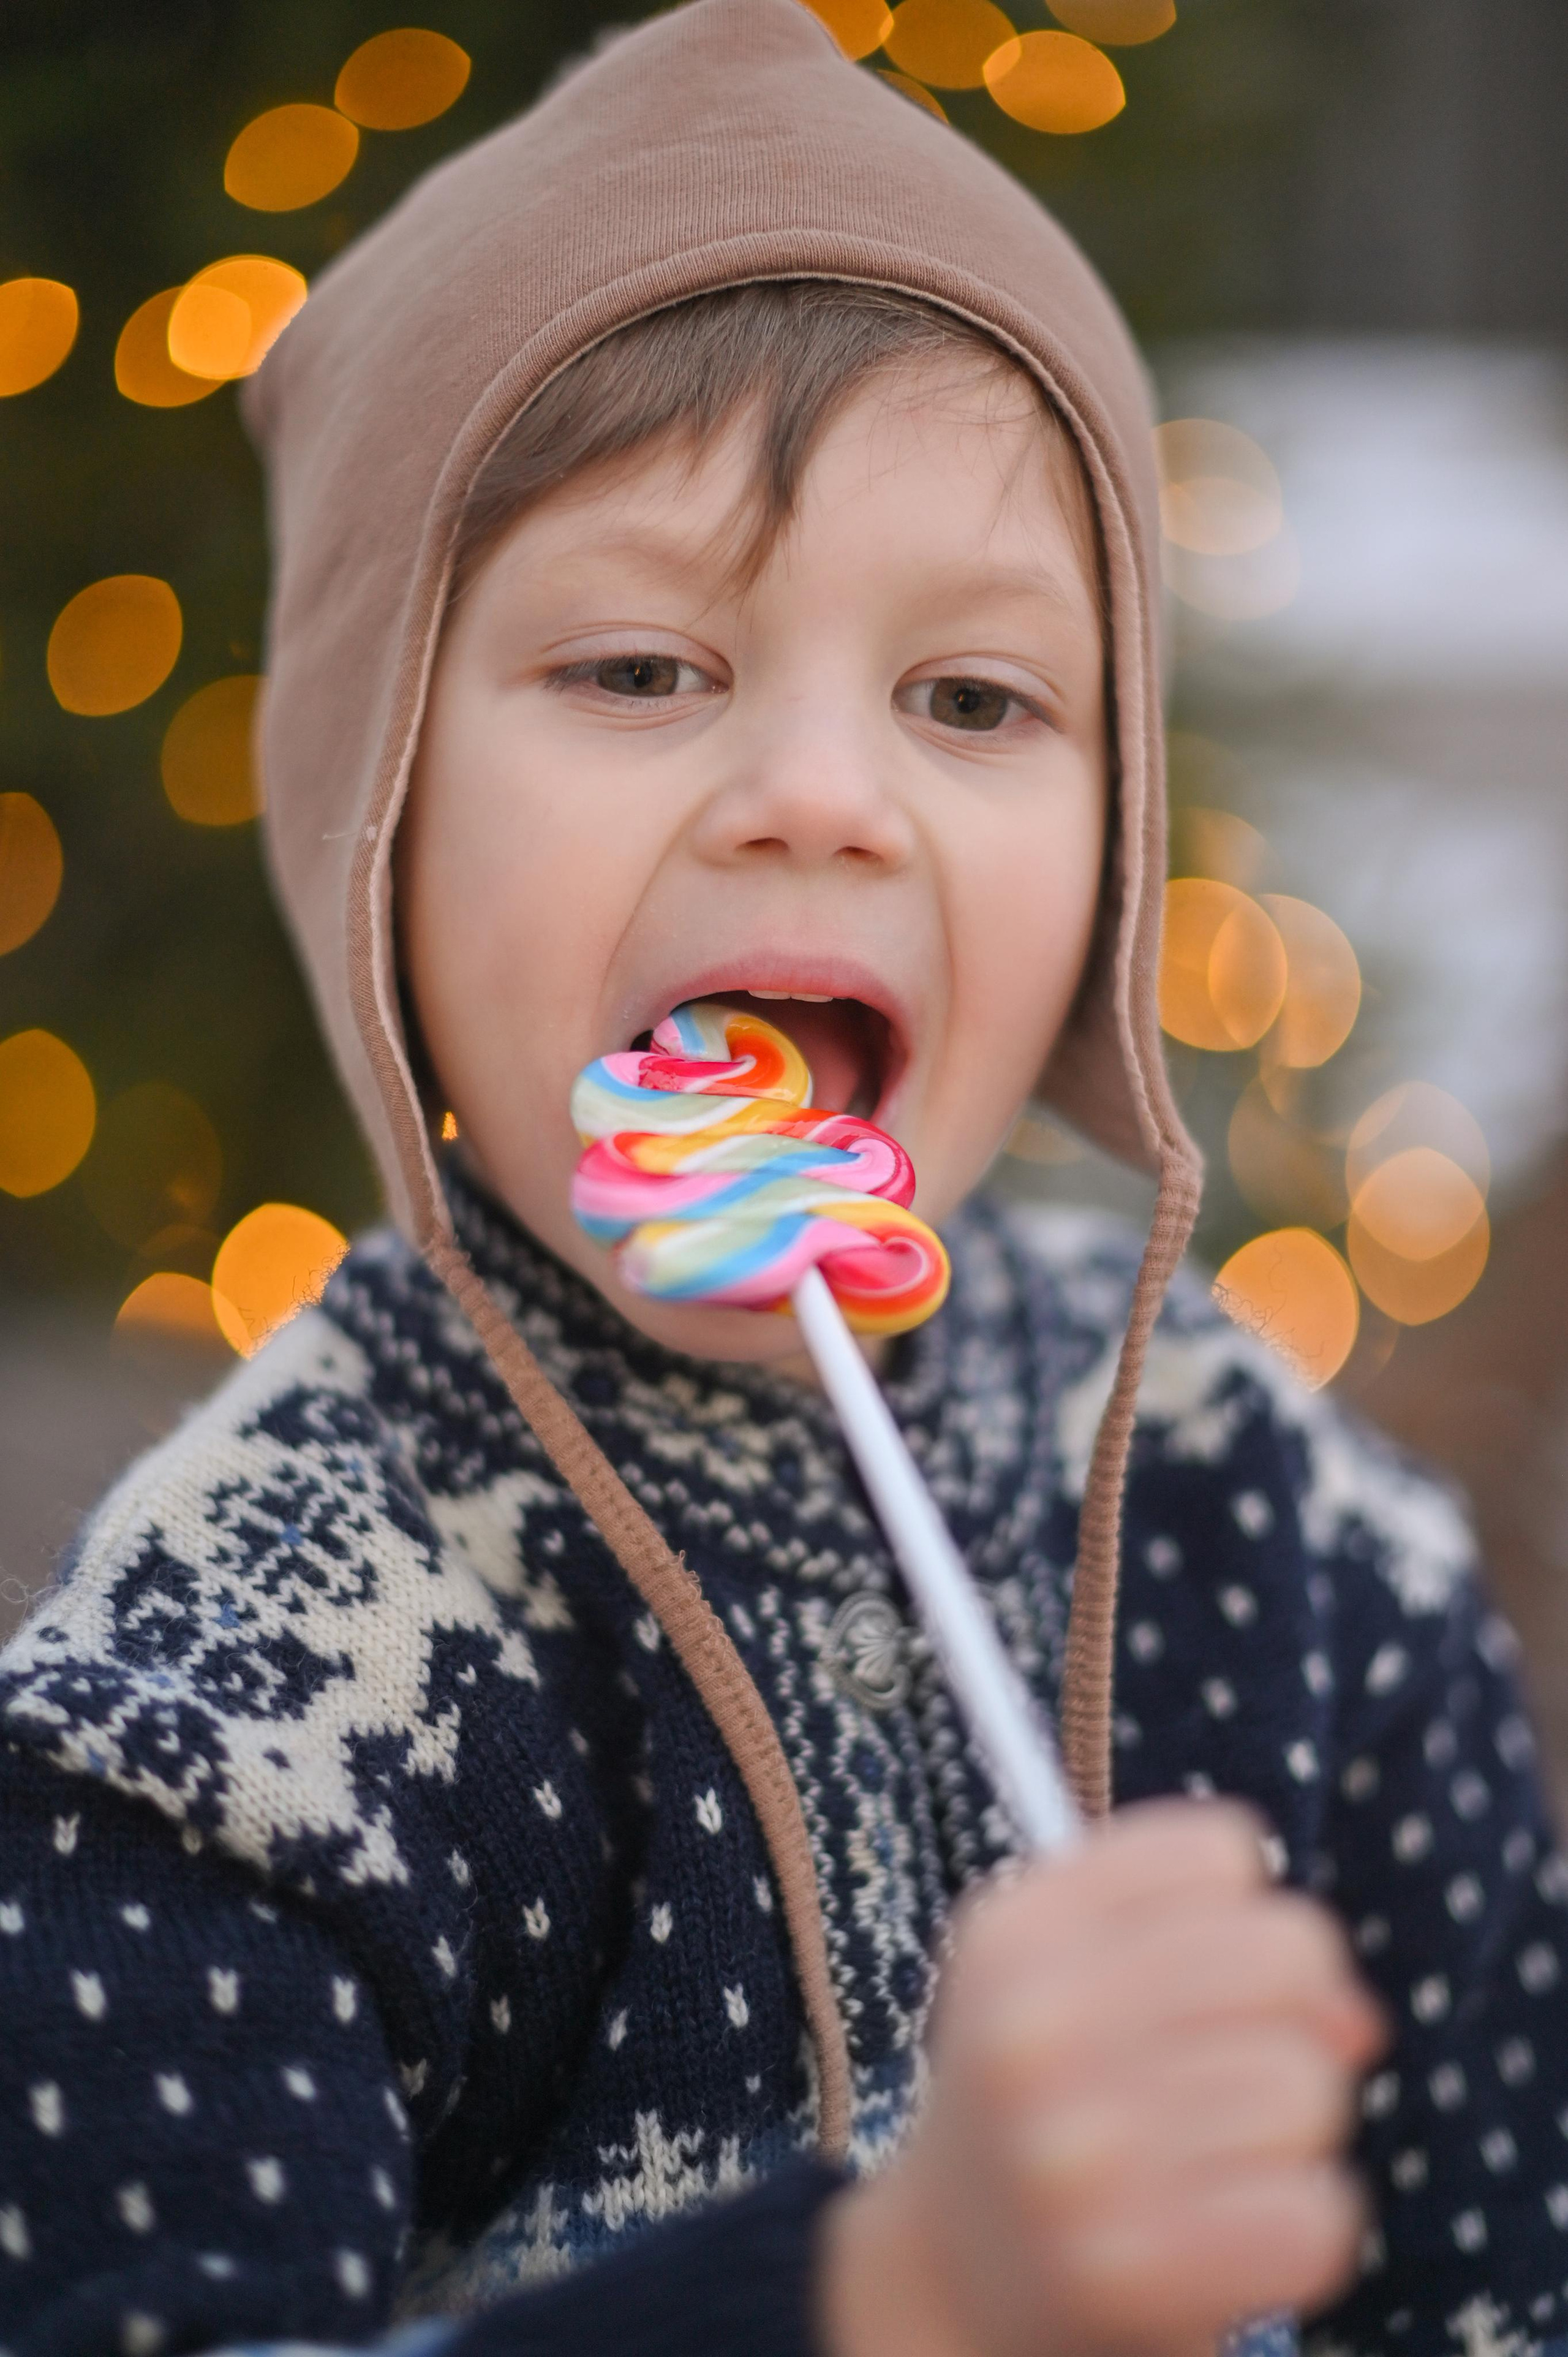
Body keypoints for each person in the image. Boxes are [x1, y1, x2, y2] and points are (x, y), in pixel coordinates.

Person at [2, 6, 1565, 2354]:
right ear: (378, 823)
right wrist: (894, 2293)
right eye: (641, 667)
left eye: (974, 701)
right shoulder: (236, 1706)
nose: (820, 794)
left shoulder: (1285, 1538)